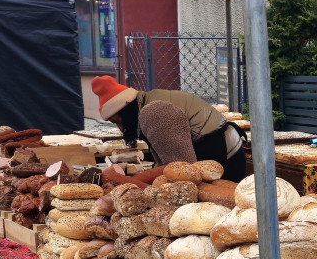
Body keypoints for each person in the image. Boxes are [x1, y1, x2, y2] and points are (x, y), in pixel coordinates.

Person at [91, 75, 247, 181]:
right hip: (218, 149)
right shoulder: (146, 102)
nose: (120, 129)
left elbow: (182, 167)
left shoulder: (155, 112)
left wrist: (128, 181)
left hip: (224, 156)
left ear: (125, 111)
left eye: (118, 121)